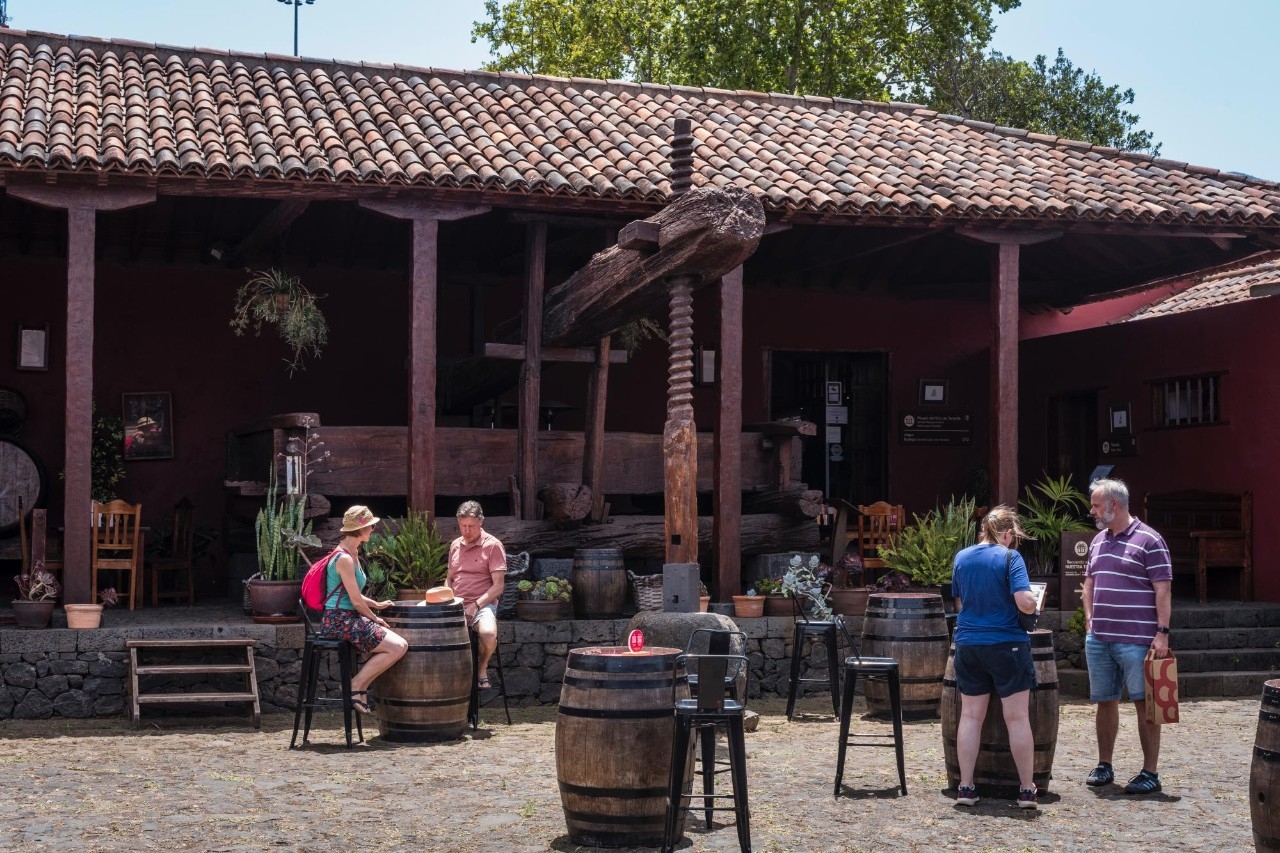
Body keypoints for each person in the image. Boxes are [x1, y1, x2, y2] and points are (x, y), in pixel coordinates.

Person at [1083, 477, 1172, 795]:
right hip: (1100, 638)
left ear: (1113, 505)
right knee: (1104, 702)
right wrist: (1090, 621)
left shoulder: (1150, 540)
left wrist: (1162, 633)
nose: (1092, 510)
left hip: (1137, 639)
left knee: (1145, 704)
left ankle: (1150, 771)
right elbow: (1089, 582)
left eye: (1096, 505)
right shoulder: (1098, 541)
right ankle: (1104, 764)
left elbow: (1163, 589)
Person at [950, 505, 1039, 809]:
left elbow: (961, 600)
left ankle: (965, 787)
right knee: (1017, 718)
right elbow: (1024, 601)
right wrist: (1035, 601)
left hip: (968, 643)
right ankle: (1027, 790)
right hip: (1006, 644)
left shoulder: (961, 557)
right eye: (1013, 536)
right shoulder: (1009, 558)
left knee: (971, 716)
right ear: (1007, 533)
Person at [318, 505, 408, 714]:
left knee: (396, 645)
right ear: (360, 529)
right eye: (370, 526)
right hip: (339, 621)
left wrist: (376, 605)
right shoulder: (344, 559)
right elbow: (356, 603)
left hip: (348, 617)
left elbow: (354, 596)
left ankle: (358, 686)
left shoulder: (353, 552)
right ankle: (356, 685)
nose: (373, 529)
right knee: (397, 646)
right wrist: (375, 619)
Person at [447, 500, 507, 690]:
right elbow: (448, 579)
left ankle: (482, 668)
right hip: (456, 604)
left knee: (488, 634)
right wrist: (447, 599)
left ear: (481, 522)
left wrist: (477, 605)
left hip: (483, 604)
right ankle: (453, 680)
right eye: (462, 526)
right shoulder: (455, 545)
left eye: (471, 526)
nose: (466, 531)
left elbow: (498, 587)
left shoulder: (493, 546)